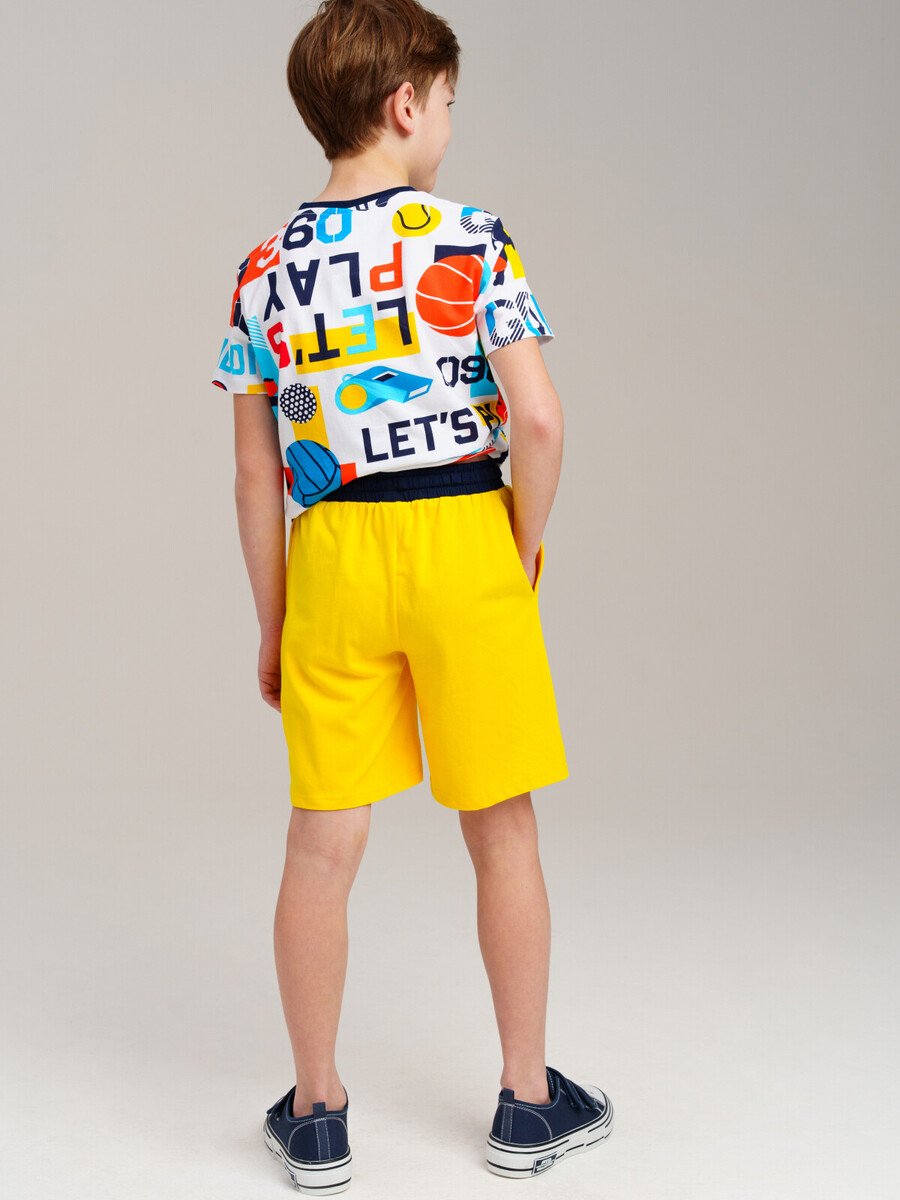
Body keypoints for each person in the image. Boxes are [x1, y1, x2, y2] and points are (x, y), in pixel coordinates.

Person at [210, 0, 613, 1190]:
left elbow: (259, 471)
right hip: (463, 536)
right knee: (502, 828)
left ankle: (317, 1113)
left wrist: (275, 620)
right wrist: (517, 543)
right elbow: (539, 419)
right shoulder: (471, 238)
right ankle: (528, 1104)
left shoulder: (263, 271)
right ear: (405, 105)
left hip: (333, 549)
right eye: (445, 103)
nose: (445, 121)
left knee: (321, 843)